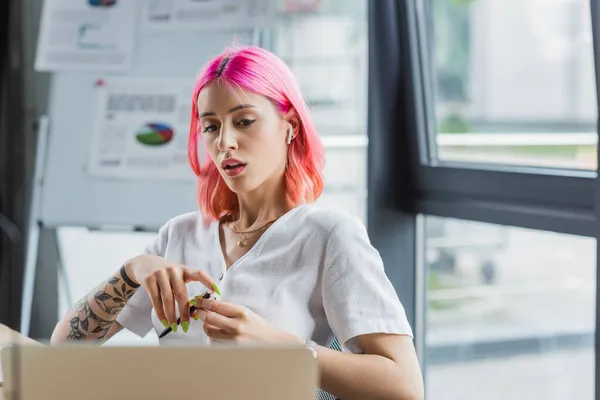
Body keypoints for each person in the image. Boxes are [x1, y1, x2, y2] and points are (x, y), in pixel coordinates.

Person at [51, 45, 424, 400]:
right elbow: (64, 347)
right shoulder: (180, 236)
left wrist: (277, 346)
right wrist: (132, 271)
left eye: (244, 121)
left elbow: (404, 386)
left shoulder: (328, 236)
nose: (224, 142)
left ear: (289, 125)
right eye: (211, 127)